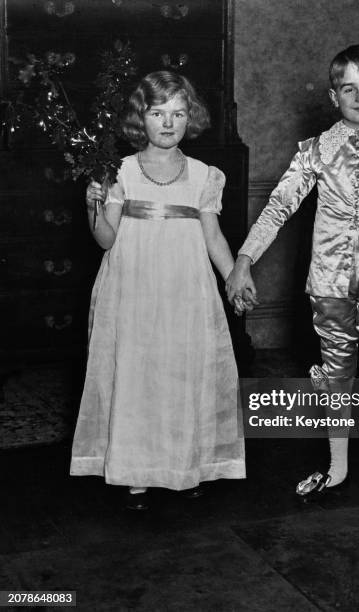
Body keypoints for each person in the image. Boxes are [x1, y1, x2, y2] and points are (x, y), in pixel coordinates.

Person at [226, 44, 359, 525]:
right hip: (327, 287)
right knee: (338, 379)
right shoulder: (314, 154)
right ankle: (337, 469)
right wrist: (243, 259)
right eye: (349, 88)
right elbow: (279, 206)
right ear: (333, 96)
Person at [70, 70, 247, 510]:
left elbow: (214, 237)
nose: (168, 123)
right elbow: (107, 239)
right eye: (157, 113)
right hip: (133, 287)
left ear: (192, 118)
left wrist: (233, 276)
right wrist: (92, 205)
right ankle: (136, 471)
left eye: (179, 113)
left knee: (182, 373)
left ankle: (183, 466)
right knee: (137, 374)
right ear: (140, 118)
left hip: (185, 289)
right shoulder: (120, 171)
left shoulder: (205, 175)